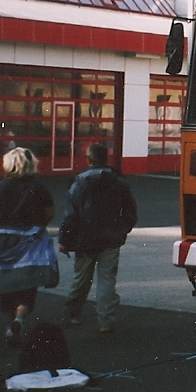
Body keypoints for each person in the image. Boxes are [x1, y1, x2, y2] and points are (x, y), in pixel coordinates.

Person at [0, 148, 57, 347]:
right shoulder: (39, 188)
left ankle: (11, 325)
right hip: (31, 240)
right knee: (28, 283)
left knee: (6, 284)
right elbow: (49, 213)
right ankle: (19, 319)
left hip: (3, 241)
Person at [58, 143, 137, 334]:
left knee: (81, 279)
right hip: (111, 238)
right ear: (106, 158)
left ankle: (73, 314)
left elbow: (71, 215)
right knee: (107, 280)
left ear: (88, 159)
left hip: (85, 239)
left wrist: (65, 240)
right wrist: (123, 229)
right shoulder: (119, 181)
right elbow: (130, 211)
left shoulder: (79, 182)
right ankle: (105, 321)